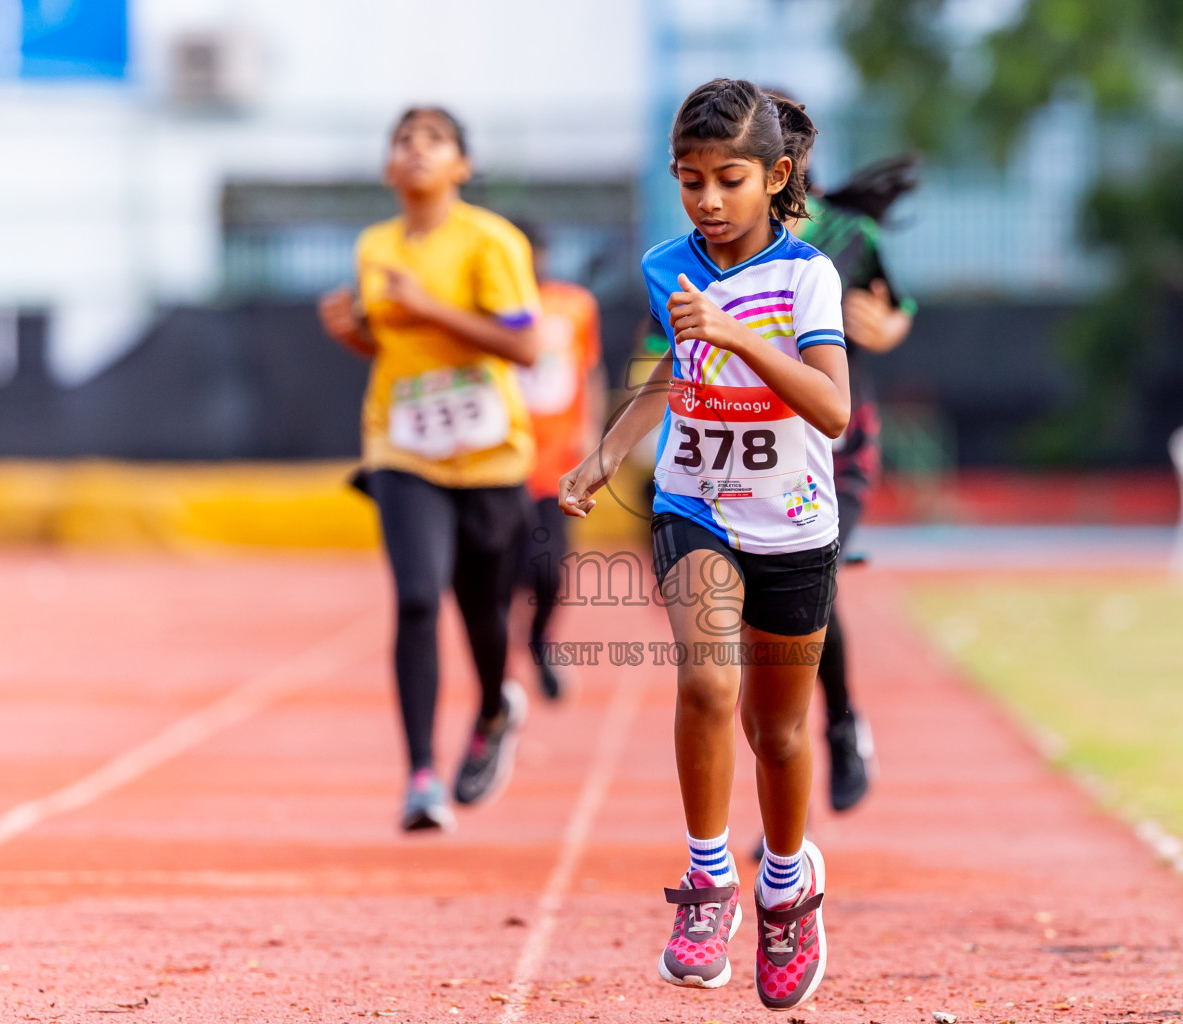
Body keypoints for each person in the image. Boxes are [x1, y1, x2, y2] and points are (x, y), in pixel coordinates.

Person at [559, 79, 849, 1011]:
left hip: (795, 521)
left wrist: (737, 333)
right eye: (690, 181)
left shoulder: (809, 275)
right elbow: (671, 378)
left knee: (776, 731)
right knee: (705, 680)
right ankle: (707, 879)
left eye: (729, 179)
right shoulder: (664, 265)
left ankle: (786, 886)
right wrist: (605, 456)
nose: (709, 201)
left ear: (776, 177)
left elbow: (832, 409)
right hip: (695, 506)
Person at [317, 107, 542, 833]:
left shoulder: (490, 242)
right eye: (403, 141)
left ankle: (491, 707)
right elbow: (386, 345)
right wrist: (353, 334)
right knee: (416, 597)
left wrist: (430, 307)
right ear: (388, 168)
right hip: (400, 444)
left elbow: (526, 346)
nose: (415, 151)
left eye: (433, 140)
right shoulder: (374, 244)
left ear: (461, 166)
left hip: (486, 453)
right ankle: (420, 776)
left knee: (482, 612)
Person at [787, 152, 919, 812]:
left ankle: (839, 726)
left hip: (836, 449)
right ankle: (778, 787)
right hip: (751, 453)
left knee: (812, 583)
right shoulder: (715, 243)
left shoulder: (848, 237)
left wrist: (888, 327)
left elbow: (894, 310)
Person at [512, 222, 606, 700]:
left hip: (556, 464)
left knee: (549, 569)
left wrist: (590, 431)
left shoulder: (575, 305)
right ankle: (501, 675)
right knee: (503, 573)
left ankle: (540, 641)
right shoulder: (489, 309)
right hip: (502, 463)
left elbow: (588, 369)